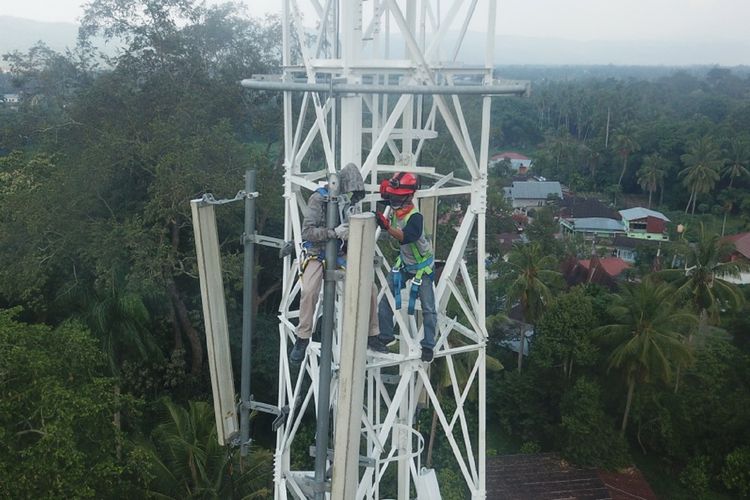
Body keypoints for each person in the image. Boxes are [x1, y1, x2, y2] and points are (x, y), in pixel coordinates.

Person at [291, 163, 389, 363]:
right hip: (318, 251)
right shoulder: (318, 199)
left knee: (369, 287)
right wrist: (333, 232)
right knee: (309, 290)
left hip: (342, 251)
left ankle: (372, 334)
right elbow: (307, 232)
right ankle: (302, 337)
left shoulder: (349, 203)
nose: (352, 194)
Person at [375, 172, 436, 363]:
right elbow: (385, 197)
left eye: (397, 197)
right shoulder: (396, 206)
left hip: (421, 268)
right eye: (393, 196)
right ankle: (386, 335)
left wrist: (387, 228)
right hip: (404, 263)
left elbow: (407, 236)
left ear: (408, 197)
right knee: (386, 299)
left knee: (428, 308)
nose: (394, 200)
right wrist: (385, 190)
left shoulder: (415, 217)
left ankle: (428, 345)